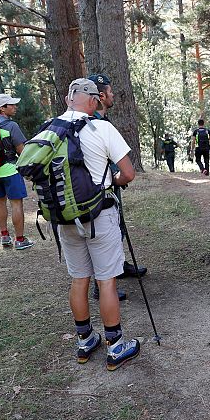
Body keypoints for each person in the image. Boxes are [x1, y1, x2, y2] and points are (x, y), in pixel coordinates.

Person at [56, 78, 140, 370]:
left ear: (69, 99)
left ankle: (84, 340)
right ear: (93, 101)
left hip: (65, 216)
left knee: (79, 279)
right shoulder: (101, 127)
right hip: (99, 212)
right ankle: (116, 346)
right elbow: (128, 174)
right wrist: (111, 181)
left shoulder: (49, 129)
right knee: (106, 280)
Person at [87, 73, 147, 302]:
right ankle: (99, 285)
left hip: (111, 184)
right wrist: (117, 178)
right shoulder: (92, 124)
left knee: (117, 227)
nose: (113, 95)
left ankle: (118, 267)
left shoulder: (103, 121)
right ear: (100, 96)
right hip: (100, 188)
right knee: (102, 232)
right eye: (110, 92)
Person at [0, 93, 34, 250]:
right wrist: (30, 170)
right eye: (11, 105)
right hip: (10, 170)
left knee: (0, 201)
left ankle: (4, 236)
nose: (15, 107)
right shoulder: (11, 126)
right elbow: (22, 151)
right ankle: (20, 240)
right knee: (16, 204)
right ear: (2, 108)